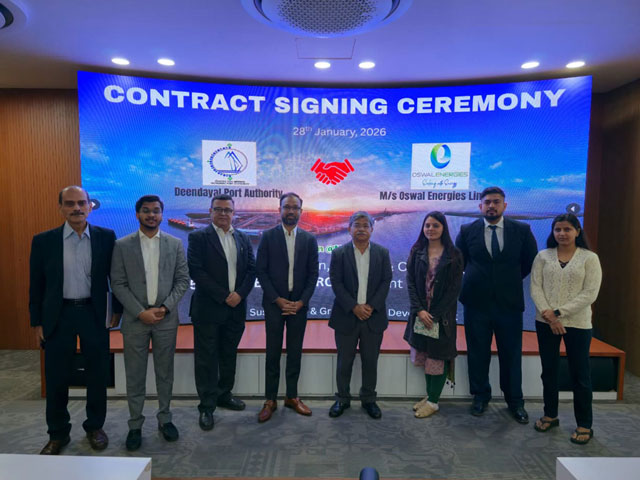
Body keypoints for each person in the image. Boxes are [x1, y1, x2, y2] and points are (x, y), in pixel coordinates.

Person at [29, 185, 122, 455]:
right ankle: (58, 433)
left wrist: (116, 311)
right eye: (69, 203)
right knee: (56, 376)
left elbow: (116, 277)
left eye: (81, 203)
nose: (76, 208)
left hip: (94, 313)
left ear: (90, 206)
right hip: (58, 315)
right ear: (60, 208)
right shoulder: (43, 241)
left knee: (97, 373)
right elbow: (36, 284)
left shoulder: (106, 237)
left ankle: (95, 427)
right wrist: (37, 322)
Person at [110, 195, 190, 451]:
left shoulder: (175, 243)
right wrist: (139, 312)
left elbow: (182, 280)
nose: (151, 215)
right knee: (135, 374)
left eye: (156, 211)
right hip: (136, 321)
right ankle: (135, 424)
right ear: (137, 214)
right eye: (146, 211)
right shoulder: (122, 245)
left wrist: (165, 308)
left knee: (165, 372)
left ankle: (165, 419)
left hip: (166, 320)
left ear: (162, 215)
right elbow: (118, 283)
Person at [455, 186, 538, 423]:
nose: (491, 206)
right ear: (480, 206)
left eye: (496, 202)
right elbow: (460, 262)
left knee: (511, 354)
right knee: (477, 352)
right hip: (476, 303)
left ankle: (515, 401)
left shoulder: (522, 230)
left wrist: (505, 281)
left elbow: (529, 262)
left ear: (504, 205)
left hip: (509, 304)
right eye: (487, 202)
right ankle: (480, 396)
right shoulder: (466, 230)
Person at [530, 213, 602, 445]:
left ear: (577, 231)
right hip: (545, 323)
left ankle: (584, 424)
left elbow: (590, 293)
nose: (562, 233)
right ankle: (550, 415)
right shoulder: (543, 256)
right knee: (549, 371)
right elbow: (535, 288)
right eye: (558, 229)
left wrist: (559, 313)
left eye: (567, 229)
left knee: (580, 374)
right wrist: (549, 316)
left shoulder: (589, 258)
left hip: (578, 324)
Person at [188, 194, 256, 431]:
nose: (223, 214)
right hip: (208, 309)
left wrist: (240, 294)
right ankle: (207, 406)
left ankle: (224, 395)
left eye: (227, 210)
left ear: (234, 213)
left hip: (236, 309)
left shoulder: (243, 238)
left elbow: (251, 270)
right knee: (206, 359)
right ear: (210, 212)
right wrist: (224, 295)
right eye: (218, 209)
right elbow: (196, 271)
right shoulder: (198, 237)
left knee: (228, 355)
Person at [256, 192, 319, 423]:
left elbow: (313, 275)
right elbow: (261, 271)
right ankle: (270, 400)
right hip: (275, 305)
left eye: (295, 207)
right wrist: (278, 299)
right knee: (272, 353)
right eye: (286, 207)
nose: (290, 211)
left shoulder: (309, 239)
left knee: (295, 352)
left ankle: (292, 396)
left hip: (299, 306)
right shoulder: (268, 236)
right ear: (279, 210)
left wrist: (301, 302)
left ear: (301, 211)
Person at [328, 211, 392, 419]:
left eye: (366, 225)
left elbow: (386, 281)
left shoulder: (382, 253)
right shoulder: (339, 253)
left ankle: (369, 400)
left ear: (372, 229)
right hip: (346, 316)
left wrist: (371, 306)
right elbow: (336, 283)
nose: (361, 229)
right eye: (357, 225)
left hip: (374, 317)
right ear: (349, 229)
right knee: (344, 362)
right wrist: (354, 307)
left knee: (370, 361)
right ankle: (342, 399)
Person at [404, 212, 463, 418]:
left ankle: (433, 402)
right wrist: (420, 310)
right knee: (425, 357)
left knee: (438, 358)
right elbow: (410, 282)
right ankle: (430, 395)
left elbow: (454, 290)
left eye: (435, 225)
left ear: (444, 228)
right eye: (427, 225)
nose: (430, 229)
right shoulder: (417, 250)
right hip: (420, 316)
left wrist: (434, 315)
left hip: (441, 318)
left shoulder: (454, 254)